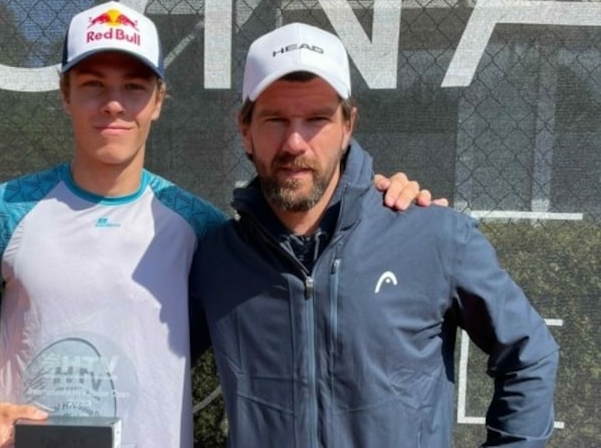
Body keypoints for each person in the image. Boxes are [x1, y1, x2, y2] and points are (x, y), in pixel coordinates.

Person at [0, 2, 436, 448]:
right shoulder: (5, 208)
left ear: (159, 100)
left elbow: (303, 258)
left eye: (134, 86)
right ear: (65, 94)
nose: (115, 103)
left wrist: (375, 200)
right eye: (93, 85)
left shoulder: (202, 227)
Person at [189, 22, 560, 447]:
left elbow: (529, 355)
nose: (295, 142)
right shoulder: (217, 258)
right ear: (245, 130)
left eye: (316, 120)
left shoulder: (432, 235)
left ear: (348, 125)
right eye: (275, 119)